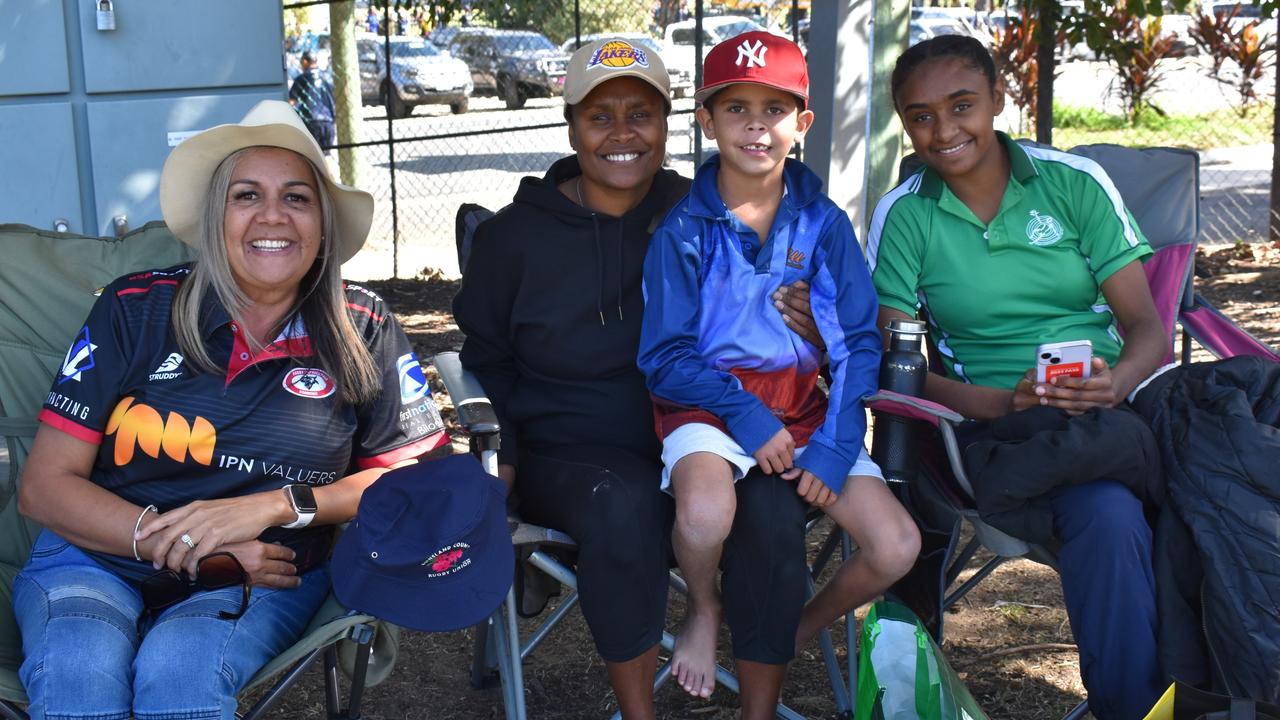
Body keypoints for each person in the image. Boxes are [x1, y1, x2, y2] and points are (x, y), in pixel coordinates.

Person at [13, 100, 448, 719]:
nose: (273, 216)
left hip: (262, 570)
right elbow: (44, 488)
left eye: (297, 197)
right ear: (215, 217)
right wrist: (193, 545)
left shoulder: (363, 326)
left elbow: (418, 478)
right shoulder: (134, 308)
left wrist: (275, 505)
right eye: (247, 196)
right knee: (79, 672)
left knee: (179, 679)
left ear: (322, 222)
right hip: (94, 552)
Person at [452, 38, 821, 720]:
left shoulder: (711, 211)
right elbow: (487, 360)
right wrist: (498, 457)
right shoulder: (513, 238)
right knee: (621, 504)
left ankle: (759, 710)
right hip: (570, 450)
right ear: (571, 126)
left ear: (669, 124)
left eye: (641, 113)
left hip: (708, 432)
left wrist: (804, 319)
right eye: (600, 116)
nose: (622, 133)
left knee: (771, 514)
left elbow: (776, 311)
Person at [867, 35, 1168, 720]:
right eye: (920, 116)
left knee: (1172, 501)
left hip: (1106, 415)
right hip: (989, 435)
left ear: (1001, 98)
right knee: (1114, 511)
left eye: (962, 105)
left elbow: (1147, 326)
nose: (943, 131)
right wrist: (1001, 402)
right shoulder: (907, 212)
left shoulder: (1072, 183)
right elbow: (898, 367)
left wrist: (1116, 381)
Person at [636, 31, 920, 704]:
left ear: (803, 122)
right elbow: (664, 359)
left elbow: (857, 342)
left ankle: (797, 628)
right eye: (736, 108)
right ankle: (703, 608)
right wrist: (744, 412)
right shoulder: (682, 231)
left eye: (775, 107)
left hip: (804, 409)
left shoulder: (824, 226)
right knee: (704, 516)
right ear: (707, 120)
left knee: (896, 545)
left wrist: (835, 448)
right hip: (709, 406)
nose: (756, 124)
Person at [289, 51, 337, 155]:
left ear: (305, 61)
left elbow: (291, 101)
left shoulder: (302, 78)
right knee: (325, 158)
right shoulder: (326, 77)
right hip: (328, 121)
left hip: (310, 122)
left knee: (311, 158)